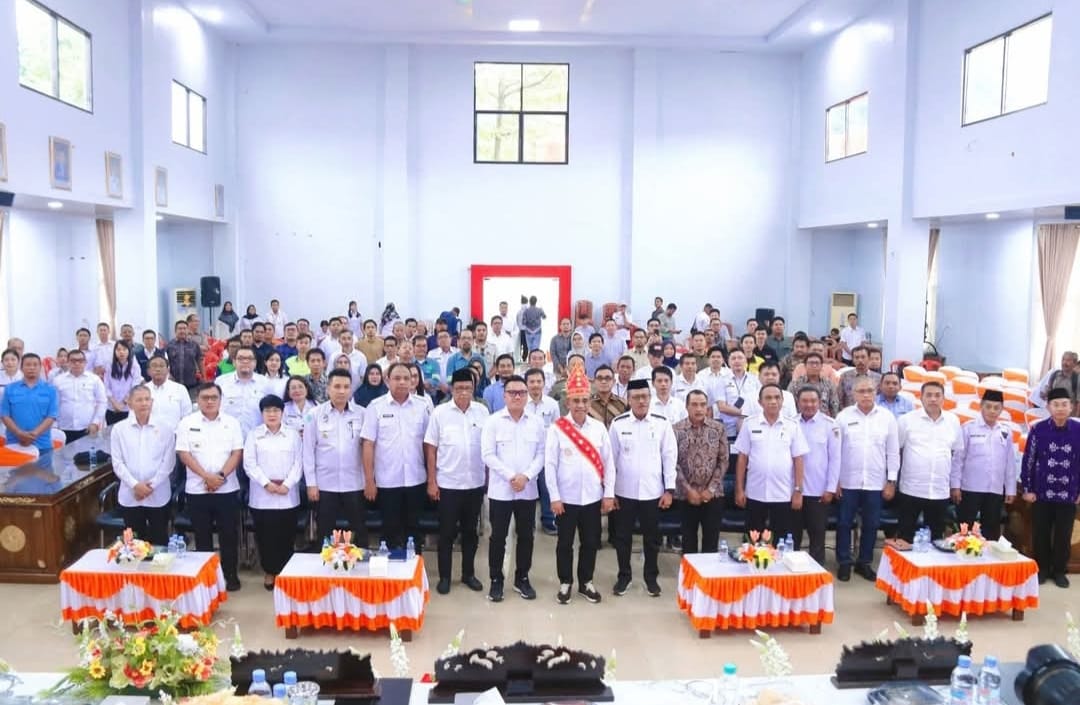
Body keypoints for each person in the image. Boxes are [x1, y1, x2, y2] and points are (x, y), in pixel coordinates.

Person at [545, 360, 616, 605]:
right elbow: (550, 465)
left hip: (592, 498)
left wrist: (609, 494)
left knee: (590, 542)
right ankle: (565, 582)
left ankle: (586, 581)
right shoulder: (557, 429)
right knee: (564, 543)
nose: (580, 405)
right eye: (576, 400)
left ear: (589, 402)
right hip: (566, 499)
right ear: (568, 402)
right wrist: (554, 497)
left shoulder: (598, 428)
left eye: (585, 400)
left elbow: (609, 463)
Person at [480, 374, 545, 602]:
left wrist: (525, 476)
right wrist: (511, 476)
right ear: (504, 395)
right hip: (501, 491)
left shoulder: (536, 423)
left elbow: (541, 454)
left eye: (521, 393)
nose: (517, 396)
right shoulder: (493, 422)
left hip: (528, 490)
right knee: (498, 537)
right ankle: (496, 580)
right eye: (512, 393)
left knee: (526, 536)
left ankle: (522, 578)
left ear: (527, 396)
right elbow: (488, 455)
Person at [609, 378, 677, 596]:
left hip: (652, 492)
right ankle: (624, 576)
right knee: (622, 537)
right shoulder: (618, 424)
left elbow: (669, 457)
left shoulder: (661, 423)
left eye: (645, 397)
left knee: (652, 538)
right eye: (636, 397)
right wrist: (610, 492)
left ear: (650, 398)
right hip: (624, 491)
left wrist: (669, 490)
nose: (641, 401)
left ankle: (651, 578)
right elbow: (610, 460)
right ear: (628, 400)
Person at [424, 368, 490, 595]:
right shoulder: (440, 413)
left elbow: (488, 447)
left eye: (468, 388)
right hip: (448, 484)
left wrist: (488, 478)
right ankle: (445, 577)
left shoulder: (482, 412)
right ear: (452, 389)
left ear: (473, 389)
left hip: (474, 484)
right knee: (446, 533)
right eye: (459, 388)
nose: (463, 392)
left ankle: (468, 574)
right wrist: (431, 481)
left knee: (470, 532)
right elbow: (431, 449)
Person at [175, 382, 244, 591]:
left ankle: (230, 575)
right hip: (198, 489)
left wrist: (219, 477)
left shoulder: (232, 423)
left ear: (220, 400)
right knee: (202, 536)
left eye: (214, 397)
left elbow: (237, 453)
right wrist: (207, 477)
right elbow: (184, 454)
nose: (210, 401)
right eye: (205, 398)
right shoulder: (186, 423)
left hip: (226, 488)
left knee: (229, 535)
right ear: (198, 400)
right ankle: (207, 579)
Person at [833, 375, 899, 580]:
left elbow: (893, 452)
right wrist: (835, 481)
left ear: (876, 392)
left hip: (876, 482)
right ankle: (844, 562)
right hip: (848, 481)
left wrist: (891, 481)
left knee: (871, 524)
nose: (866, 395)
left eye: (869, 391)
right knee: (844, 523)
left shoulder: (887, 418)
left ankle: (864, 562)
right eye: (861, 391)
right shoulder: (843, 417)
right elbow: (835, 452)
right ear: (853, 394)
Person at [362, 362, 430, 549]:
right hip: (387, 482)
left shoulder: (422, 406)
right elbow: (368, 444)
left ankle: (415, 567)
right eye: (397, 378)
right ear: (387, 381)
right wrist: (369, 480)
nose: (402, 382)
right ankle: (390, 567)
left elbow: (429, 445)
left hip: (416, 479)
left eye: (407, 378)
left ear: (413, 381)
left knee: (414, 533)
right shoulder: (375, 407)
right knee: (390, 532)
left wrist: (432, 477)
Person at [733, 384, 808, 545]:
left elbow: (798, 460)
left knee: (781, 542)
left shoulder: (792, 426)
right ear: (760, 402)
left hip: (783, 494)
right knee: (752, 542)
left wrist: (798, 491)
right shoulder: (749, 424)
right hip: (755, 492)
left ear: (782, 401)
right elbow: (742, 458)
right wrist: (739, 489)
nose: (773, 401)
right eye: (768, 398)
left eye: (776, 397)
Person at [1021, 387, 1080, 587]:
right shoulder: (1038, 430)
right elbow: (1029, 460)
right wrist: (1028, 488)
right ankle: (1042, 569)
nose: (1060, 408)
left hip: (1069, 493)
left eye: (1064, 404)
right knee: (1041, 533)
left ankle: (1059, 571)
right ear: (1048, 407)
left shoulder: (1078, 430)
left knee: (1064, 535)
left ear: (1071, 407)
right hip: (1041, 492)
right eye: (1056, 404)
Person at [303, 369, 368, 546]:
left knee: (359, 530)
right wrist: (311, 484)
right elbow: (308, 451)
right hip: (325, 484)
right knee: (324, 533)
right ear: (328, 389)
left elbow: (368, 449)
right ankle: (323, 562)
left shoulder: (362, 414)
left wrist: (368, 481)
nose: (341, 391)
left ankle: (361, 561)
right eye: (337, 386)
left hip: (354, 483)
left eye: (346, 387)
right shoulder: (314, 415)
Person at [245, 394, 302, 590]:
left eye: (276, 410)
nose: (272, 414)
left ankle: (286, 573)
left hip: (288, 495)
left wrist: (288, 484)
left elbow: (299, 462)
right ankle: (270, 572)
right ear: (262, 413)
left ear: (282, 413)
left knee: (287, 536)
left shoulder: (293, 435)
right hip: (262, 496)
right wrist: (266, 484)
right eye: (267, 410)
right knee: (265, 536)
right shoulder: (254, 435)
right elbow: (249, 464)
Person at [896, 380, 963, 545]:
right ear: (921, 398)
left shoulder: (953, 421)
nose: (933, 399)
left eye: (937, 395)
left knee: (936, 538)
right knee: (905, 537)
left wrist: (955, 485)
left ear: (943, 398)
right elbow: (895, 450)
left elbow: (957, 454)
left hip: (939, 490)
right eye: (929, 395)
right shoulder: (906, 420)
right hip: (911, 489)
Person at [109, 385, 174, 546]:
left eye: (147, 399)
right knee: (134, 545)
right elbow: (117, 463)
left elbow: (168, 462)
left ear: (152, 402)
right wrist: (135, 485)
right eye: (139, 400)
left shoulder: (165, 428)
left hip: (158, 494)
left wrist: (150, 486)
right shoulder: (119, 429)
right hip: (130, 495)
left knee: (159, 542)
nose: (144, 403)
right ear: (130, 403)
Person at [950, 389, 1018, 541]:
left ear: (1001, 409)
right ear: (981, 406)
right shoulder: (968, 428)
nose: (992, 411)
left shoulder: (1005, 432)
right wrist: (955, 486)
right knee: (964, 532)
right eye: (988, 406)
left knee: (991, 533)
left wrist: (1010, 489)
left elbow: (1009, 463)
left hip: (994, 490)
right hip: (970, 489)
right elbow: (958, 459)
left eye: (996, 407)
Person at [672, 389, 728, 555]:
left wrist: (710, 489)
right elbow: (673, 462)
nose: (699, 409)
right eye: (694, 405)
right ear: (686, 406)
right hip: (686, 495)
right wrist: (688, 490)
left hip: (713, 495)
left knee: (711, 543)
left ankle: (708, 573)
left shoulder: (718, 429)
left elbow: (723, 460)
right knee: (688, 543)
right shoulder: (676, 430)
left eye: (703, 405)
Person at [793, 386, 840, 566]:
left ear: (819, 403)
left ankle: (816, 571)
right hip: (794, 490)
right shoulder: (791, 423)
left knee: (817, 535)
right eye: (804, 401)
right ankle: (791, 573)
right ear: (798, 403)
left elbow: (835, 459)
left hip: (818, 491)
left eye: (813, 401)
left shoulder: (830, 425)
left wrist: (830, 488)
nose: (809, 404)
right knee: (792, 535)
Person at [526, 367, 561, 535]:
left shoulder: (552, 404)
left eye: (538, 381)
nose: (535, 385)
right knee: (527, 490)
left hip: (547, 454)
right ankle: (527, 522)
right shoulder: (521, 403)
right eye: (532, 381)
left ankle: (548, 520)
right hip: (527, 455)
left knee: (547, 488)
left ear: (544, 383)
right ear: (526, 384)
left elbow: (557, 428)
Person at [0, 353, 58, 453]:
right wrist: (19, 433)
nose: (32, 368)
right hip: (15, 443)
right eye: (28, 365)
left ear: (40, 367)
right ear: (21, 368)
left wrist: (34, 434)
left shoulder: (50, 389)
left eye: (35, 365)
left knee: (44, 464)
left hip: (42, 444)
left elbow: (51, 416)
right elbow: (5, 415)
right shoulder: (10, 389)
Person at [53, 349, 107, 443]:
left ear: (85, 362)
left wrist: (95, 422)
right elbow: (54, 404)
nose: (77, 363)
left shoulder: (94, 379)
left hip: (87, 428)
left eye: (80, 361)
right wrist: (55, 425)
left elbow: (102, 402)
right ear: (68, 362)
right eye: (73, 361)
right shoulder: (58, 381)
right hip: (64, 428)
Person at [217, 347, 267, 436]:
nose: (245, 361)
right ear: (234, 362)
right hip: (227, 435)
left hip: (256, 436)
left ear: (255, 363)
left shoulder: (265, 383)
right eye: (240, 358)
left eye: (249, 358)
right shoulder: (221, 382)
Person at [143, 356, 191, 432]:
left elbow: (187, 415)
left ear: (168, 370)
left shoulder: (180, 389)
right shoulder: (142, 390)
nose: (158, 369)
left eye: (161, 366)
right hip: (148, 435)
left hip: (175, 434)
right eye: (154, 366)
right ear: (148, 371)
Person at [788, 352, 839, 417]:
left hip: (823, 420)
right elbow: (790, 405)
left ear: (821, 366)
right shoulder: (795, 384)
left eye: (817, 363)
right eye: (811, 363)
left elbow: (834, 405)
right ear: (805, 366)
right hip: (800, 420)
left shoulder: (829, 384)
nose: (814, 366)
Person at [105, 340, 140, 426]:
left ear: (129, 351)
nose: (121, 352)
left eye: (124, 349)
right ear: (115, 352)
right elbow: (106, 386)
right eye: (118, 349)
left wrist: (123, 403)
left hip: (128, 408)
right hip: (112, 408)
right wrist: (115, 403)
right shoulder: (109, 366)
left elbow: (135, 386)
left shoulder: (134, 366)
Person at [1035, 351, 1079, 416]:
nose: (1064, 363)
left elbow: (1078, 403)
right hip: (1054, 415)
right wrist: (1045, 394)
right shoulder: (1055, 374)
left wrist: (1075, 419)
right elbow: (1049, 392)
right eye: (1063, 359)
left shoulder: (1077, 379)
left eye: (1068, 360)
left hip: (1069, 417)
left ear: (1074, 363)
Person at [166, 320, 202, 392]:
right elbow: (166, 363)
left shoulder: (194, 345)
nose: (182, 331)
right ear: (175, 331)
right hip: (174, 384)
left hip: (192, 384)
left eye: (184, 328)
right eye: (180, 328)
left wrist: (203, 377)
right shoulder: (169, 346)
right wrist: (168, 375)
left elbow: (200, 361)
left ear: (188, 330)